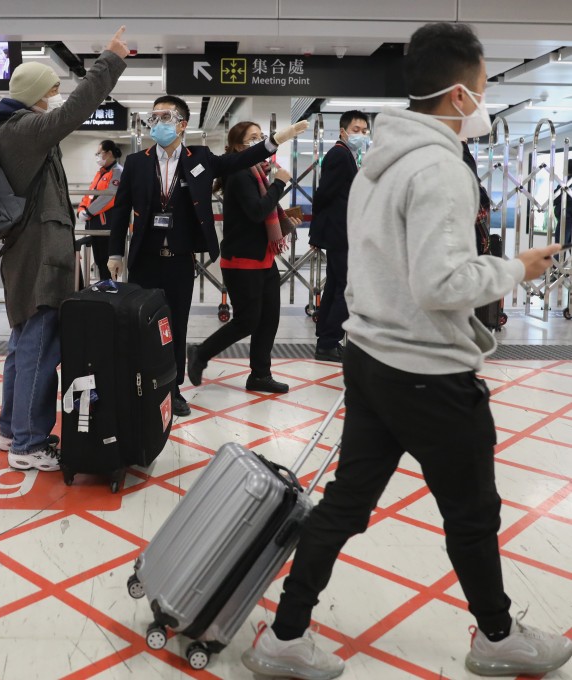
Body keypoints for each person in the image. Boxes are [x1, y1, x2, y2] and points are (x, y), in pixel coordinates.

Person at [242, 22, 571, 680]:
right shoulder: (441, 171)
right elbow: (441, 282)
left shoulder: (378, 163)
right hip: (429, 370)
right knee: (473, 510)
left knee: (346, 503)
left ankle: (284, 636)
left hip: (371, 357)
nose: (481, 102)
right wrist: (515, 269)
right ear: (457, 94)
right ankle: (498, 636)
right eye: (480, 89)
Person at [0, 26, 129, 472]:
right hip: (39, 259)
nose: (53, 98)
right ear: (32, 95)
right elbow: (73, 113)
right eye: (48, 91)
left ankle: (12, 427)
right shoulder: (22, 129)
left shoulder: (14, 130)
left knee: (23, 343)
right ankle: (28, 443)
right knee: (40, 347)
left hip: (30, 254)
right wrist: (110, 61)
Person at [106, 97, 309, 417]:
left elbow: (239, 161)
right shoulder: (137, 162)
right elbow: (120, 210)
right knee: (142, 325)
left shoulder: (199, 158)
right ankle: (142, 385)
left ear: (182, 125)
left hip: (180, 260)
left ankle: (172, 390)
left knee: (176, 327)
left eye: (165, 116)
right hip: (144, 259)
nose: (157, 122)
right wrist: (116, 251)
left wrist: (274, 141)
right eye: (154, 116)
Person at [186, 121, 300, 393]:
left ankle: (260, 375)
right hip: (242, 261)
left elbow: (264, 215)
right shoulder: (240, 174)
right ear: (238, 146)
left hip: (263, 259)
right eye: (252, 138)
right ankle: (200, 353)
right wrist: (279, 184)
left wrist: (284, 219)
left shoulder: (257, 174)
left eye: (261, 137)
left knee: (269, 318)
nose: (259, 141)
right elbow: (258, 211)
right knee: (247, 320)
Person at [309, 110, 370, 362]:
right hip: (339, 233)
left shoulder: (347, 155)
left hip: (340, 232)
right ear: (343, 131)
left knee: (336, 285)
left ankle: (326, 339)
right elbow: (324, 195)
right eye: (356, 130)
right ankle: (328, 342)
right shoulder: (339, 154)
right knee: (345, 288)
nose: (361, 135)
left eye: (365, 131)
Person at [77, 139, 123, 280]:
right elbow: (90, 193)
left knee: (107, 263)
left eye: (99, 153)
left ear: (109, 153)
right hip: (94, 224)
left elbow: (109, 197)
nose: (97, 156)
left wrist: (89, 212)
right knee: (99, 262)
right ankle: (103, 291)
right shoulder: (101, 172)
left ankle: (110, 293)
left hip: (107, 225)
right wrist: (81, 209)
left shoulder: (118, 172)